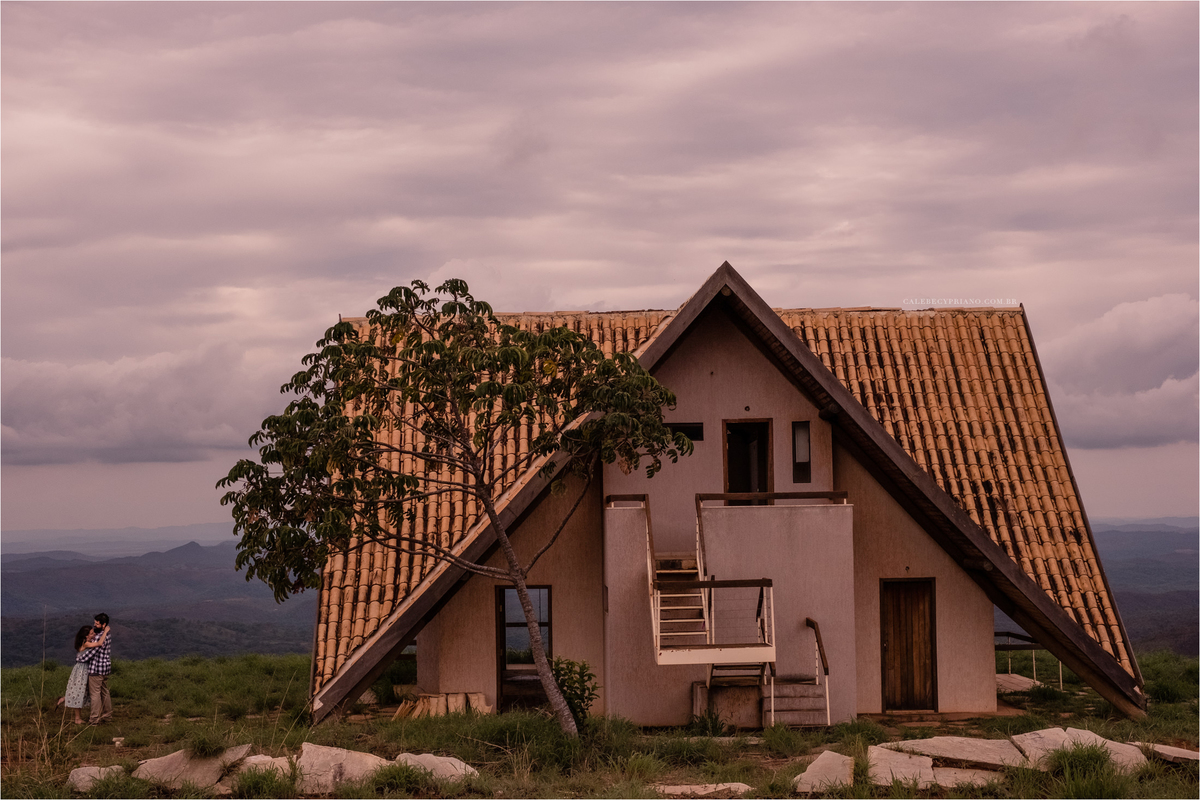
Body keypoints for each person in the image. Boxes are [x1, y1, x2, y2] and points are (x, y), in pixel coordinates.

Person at [56, 625, 105, 724]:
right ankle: (77, 718)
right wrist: (106, 632)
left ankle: (64, 699)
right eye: (91, 633)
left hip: (81, 669)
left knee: (80, 692)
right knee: (79, 692)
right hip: (82, 671)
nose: (93, 634)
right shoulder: (86, 644)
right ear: (86, 636)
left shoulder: (83, 643)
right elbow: (100, 643)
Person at [77, 613, 113, 724]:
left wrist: (80, 659)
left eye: (97, 624)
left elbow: (91, 654)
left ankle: (94, 718)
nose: (94, 626)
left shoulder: (98, 637)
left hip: (96, 669)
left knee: (95, 694)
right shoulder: (107, 635)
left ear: (103, 624)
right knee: (104, 692)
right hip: (105, 667)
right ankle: (107, 716)